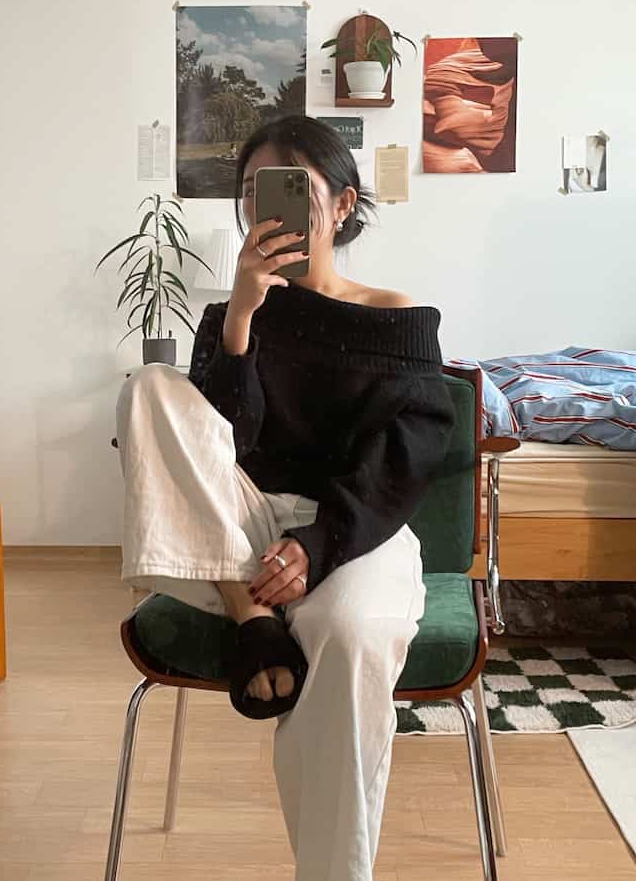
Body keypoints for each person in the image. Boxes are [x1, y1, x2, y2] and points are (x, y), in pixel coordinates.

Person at [116, 114, 455, 879]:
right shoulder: (228, 316)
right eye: (253, 194)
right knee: (150, 388)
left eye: (293, 190)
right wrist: (240, 318)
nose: (266, 210)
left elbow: (407, 458)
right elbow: (220, 448)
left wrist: (319, 545)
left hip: (354, 531)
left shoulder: (397, 316)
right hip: (234, 539)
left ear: (342, 204)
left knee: (350, 632)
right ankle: (253, 620)